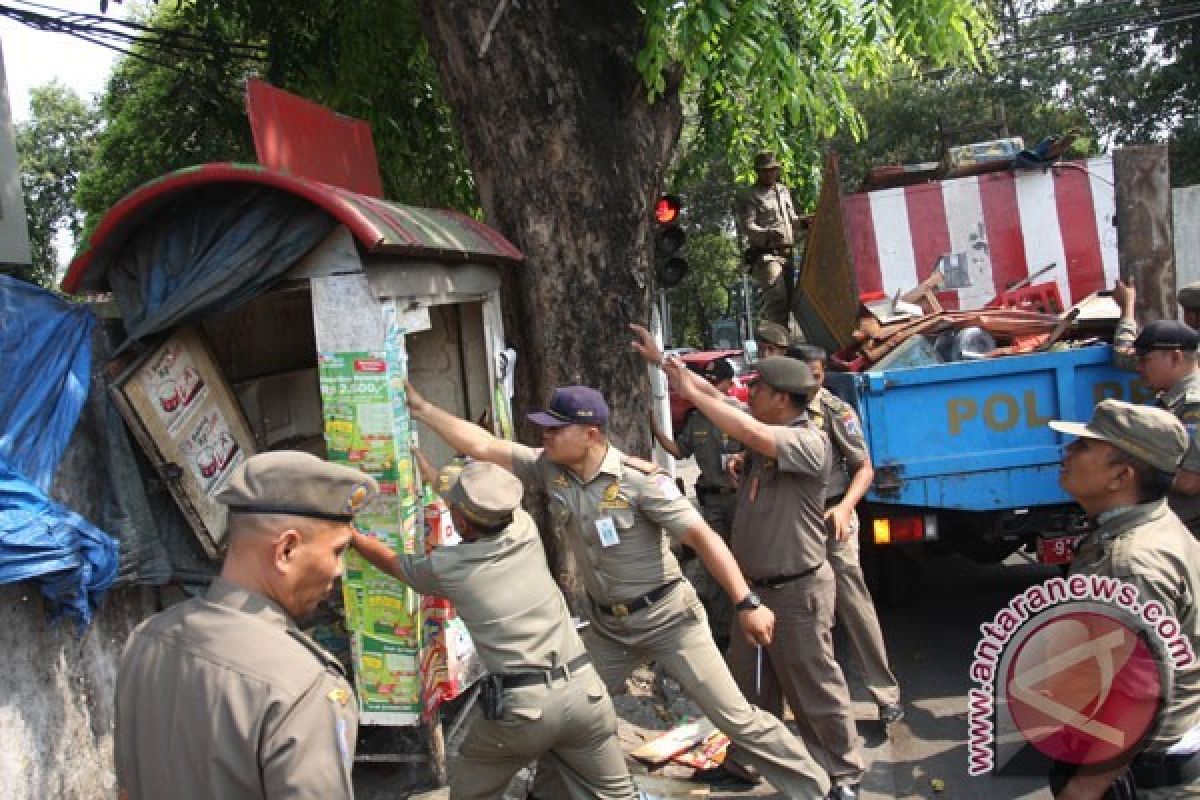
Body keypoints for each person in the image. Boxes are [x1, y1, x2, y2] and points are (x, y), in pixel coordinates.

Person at [404, 380, 830, 798]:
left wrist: (746, 601)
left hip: (670, 621)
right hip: (608, 629)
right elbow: (483, 446)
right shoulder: (551, 469)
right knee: (568, 710)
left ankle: (819, 788)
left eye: (556, 429)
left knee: (737, 719)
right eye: (545, 429)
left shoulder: (640, 481)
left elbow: (703, 537)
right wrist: (422, 408)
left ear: (590, 434)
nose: (545, 436)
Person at [632, 326, 866, 799]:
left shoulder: (806, 440)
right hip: (755, 592)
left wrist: (711, 404)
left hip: (796, 589)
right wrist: (667, 364)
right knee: (749, 689)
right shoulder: (772, 430)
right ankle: (744, 764)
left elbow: (742, 426)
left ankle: (843, 776)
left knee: (814, 689)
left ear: (781, 398)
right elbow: (712, 399)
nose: (747, 391)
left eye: (755, 386)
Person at [350, 460, 636, 800]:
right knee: (616, 795)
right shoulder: (524, 529)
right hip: (586, 693)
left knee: (470, 792)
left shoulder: (448, 567)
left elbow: (395, 564)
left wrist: (349, 535)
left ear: (459, 520)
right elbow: (473, 505)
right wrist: (425, 464)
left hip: (524, 711)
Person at [114, 451, 377, 800]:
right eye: (337, 552)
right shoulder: (302, 686)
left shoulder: (148, 638)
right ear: (286, 550)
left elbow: (127, 789)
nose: (339, 570)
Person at [1048, 399, 1200, 798]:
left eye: (1083, 447)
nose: (1068, 452)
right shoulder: (1151, 527)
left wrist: (1084, 787)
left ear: (1120, 476)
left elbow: (1140, 695)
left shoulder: (1131, 562)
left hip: (1139, 775)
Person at [796, 344, 903, 726]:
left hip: (832, 516)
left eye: (818, 375)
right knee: (806, 610)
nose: (812, 382)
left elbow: (864, 468)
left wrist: (844, 509)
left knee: (853, 604)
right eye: (805, 375)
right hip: (793, 523)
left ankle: (885, 693)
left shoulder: (835, 412)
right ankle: (820, 701)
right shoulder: (778, 411)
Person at [650, 356, 744, 648]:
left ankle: (753, 623)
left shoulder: (737, 413)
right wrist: (654, 427)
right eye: (710, 381)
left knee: (746, 562)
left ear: (729, 385)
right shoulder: (696, 419)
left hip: (741, 502)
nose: (713, 387)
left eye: (718, 383)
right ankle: (724, 631)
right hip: (713, 503)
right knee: (713, 565)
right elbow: (679, 451)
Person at [1111, 289, 1200, 538]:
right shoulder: (1176, 395)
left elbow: (1190, 481)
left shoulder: (1194, 405)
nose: (1138, 369)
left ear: (1175, 357)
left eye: (1145, 361)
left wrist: (1134, 466)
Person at [738, 151, 801, 327]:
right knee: (777, 301)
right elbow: (747, 226)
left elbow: (793, 220)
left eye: (773, 170)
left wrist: (807, 222)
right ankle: (778, 345)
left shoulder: (783, 191)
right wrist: (767, 233)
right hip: (767, 256)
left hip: (788, 254)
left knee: (793, 301)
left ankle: (786, 341)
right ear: (758, 172)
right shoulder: (751, 196)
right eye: (765, 170)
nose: (770, 174)